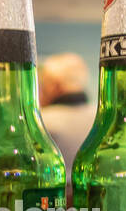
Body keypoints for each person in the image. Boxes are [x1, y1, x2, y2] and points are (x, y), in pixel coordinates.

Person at [38, 52, 93, 181]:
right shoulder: (101, 119)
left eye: (43, 84)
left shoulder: (42, 122)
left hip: (58, 197)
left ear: (53, 86)